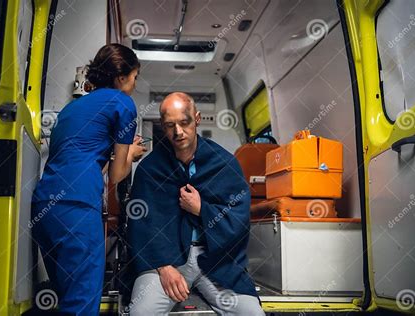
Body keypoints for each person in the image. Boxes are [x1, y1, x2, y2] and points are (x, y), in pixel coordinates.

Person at [31, 43, 146, 315]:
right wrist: (131, 153)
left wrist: (122, 153)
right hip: (77, 210)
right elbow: (117, 175)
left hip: (44, 207)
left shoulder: (72, 109)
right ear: (121, 77)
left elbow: (90, 163)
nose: (134, 84)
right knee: (81, 305)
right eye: (134, 77)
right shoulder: (123, 104)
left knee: (67, 299)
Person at [127, 92, 265, 315]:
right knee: (140, 313)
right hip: (166, 261)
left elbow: (239, 220)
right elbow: (139, 226)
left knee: (251, 313)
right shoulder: (149, 168)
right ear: (162, 125)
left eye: (184, 122)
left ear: (197, 119)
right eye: (170, 125)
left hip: (216, 260)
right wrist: (163, 267)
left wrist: (202, 210)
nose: (178, 132)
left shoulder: (225, 163)